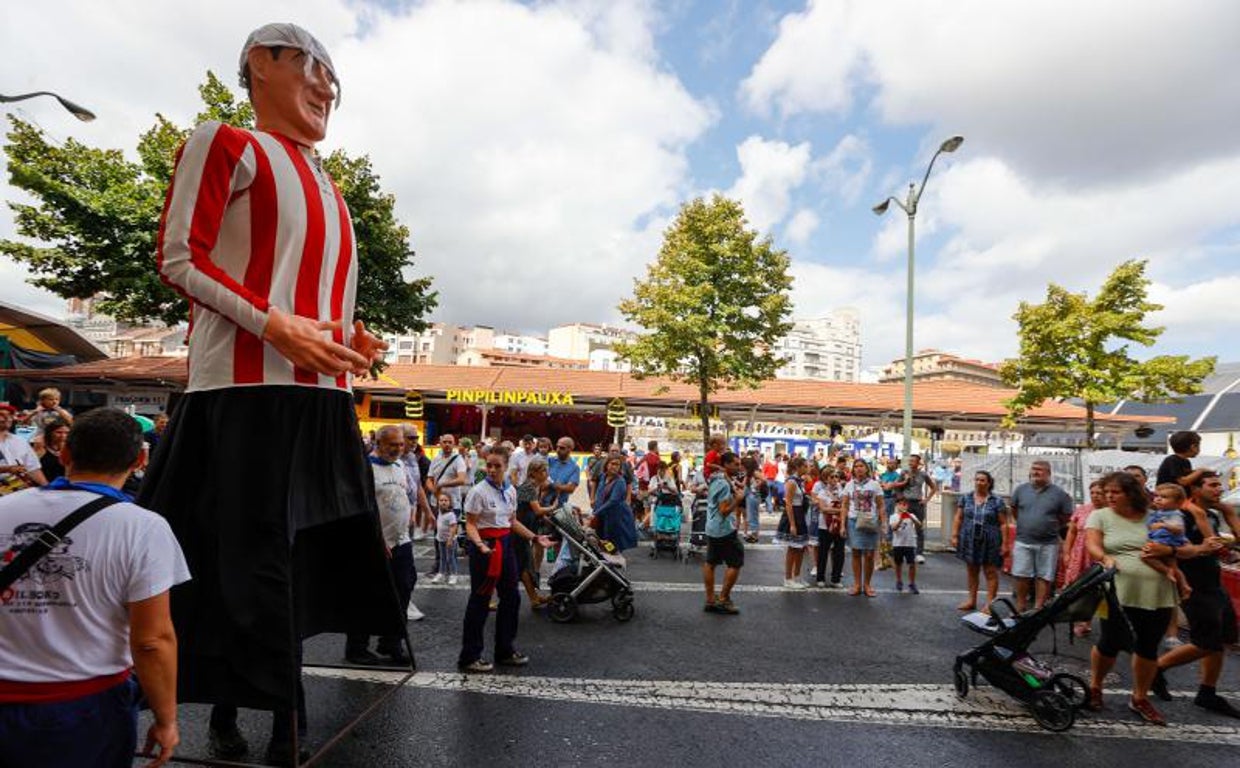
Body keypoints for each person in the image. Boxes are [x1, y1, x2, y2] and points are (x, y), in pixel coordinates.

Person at [139, 24, 399, 765]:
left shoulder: (331, 184)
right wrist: (275, 326)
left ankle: (252, 710)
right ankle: (271, 724)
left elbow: (304, 288)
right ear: (262, 63)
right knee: (244, 564)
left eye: (333, 80)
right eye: (315, 67)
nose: (327, 88)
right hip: (241, 394)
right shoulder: (225, 141)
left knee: (302, 563)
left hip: (322, 397)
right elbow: (178, 255)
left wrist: (352, 333)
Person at [0, 408, 188, 767]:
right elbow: (151, 640)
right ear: (140, 459)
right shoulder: (142, 527)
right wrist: (166, 719)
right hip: (85, 706)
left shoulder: (4, 508)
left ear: (66, 454)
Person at [1085, 471, 1179, 724]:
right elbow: (1092, 544)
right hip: (1117, 589)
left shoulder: (1154, 516)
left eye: (1115, 492)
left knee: (1148, 645)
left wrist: (1168, 549)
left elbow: (1179, 544)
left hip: (1157, 590)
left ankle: (1139, 698)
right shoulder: (1100, 515)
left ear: (1131, 493)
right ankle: (1095, 686)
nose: (1109, 496)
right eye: (1106, 492)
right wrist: (1105, 558)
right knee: (1110, 640)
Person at [1149, 470, 1240, 718]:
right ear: (1196, 490)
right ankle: (1155, 668)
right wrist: (1201, 550)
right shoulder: (1182, 515)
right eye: (1212, 485)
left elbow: (1222, 544)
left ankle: (1207, 692)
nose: (1219, 490)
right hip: (1193, 585)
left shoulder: (1209, 514)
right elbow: (1168, 548)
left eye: (1219, 485)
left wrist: (1227, 537)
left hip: (1213, 582)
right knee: (1205, 641)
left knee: (1223, 638)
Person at [458, 453, 552, 673]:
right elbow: (470, 524)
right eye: (488, 465)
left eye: (496, 466)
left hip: (505, 544)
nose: (491, 470)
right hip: (486, 547)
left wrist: (535, 537)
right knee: (480, 600)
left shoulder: (510, 490)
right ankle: (470, 655)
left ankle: (505, 650)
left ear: (506, 466)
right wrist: (480, 545)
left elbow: (512, 522)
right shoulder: (478, 491)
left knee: (511, 597)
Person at [344, 425, 418, 665]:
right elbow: (358, 509)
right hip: (373, 543)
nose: (398, 449)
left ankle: (391, 641)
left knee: (404, 588)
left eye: (400, 444)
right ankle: (356, 647)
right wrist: (375, 538)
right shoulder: (365, 468)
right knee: (366, 594)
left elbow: (406, 495)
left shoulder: (400, 466)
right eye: (392, 445)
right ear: (378, 443)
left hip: (401, 540)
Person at [1008, 460, 1074, 613]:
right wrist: (1028, 523)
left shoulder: (1059, 494)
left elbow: (1065, 516)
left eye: (1040, 470)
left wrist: (1048, 525)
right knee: (1021, 574)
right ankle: (1020, 606)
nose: (1036, 472)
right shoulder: (1021, 490)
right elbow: (1014, 509)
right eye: (1034, 469)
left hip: (1048, 543)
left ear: (1048, 473)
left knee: (1044, 576)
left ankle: (1038, 608)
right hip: (1023, 541)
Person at [952, 470, 1009, 613]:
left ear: (989, 483)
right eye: (977, 480)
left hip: (990, 540)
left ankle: (990, 604)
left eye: (982, 480)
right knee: (972, 571)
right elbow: (958, 517)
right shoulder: (966, 498)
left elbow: (1003, 523)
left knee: (990, 572)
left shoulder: (997, 501)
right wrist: (954, 535)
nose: (978, 482)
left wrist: (1005, 543)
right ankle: (971, 600)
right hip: (969, 538)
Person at [702, 452, 746, 615]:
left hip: (712, 527)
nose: (738, 466)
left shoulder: (717, 478)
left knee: (711, 562)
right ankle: (723, 599)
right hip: (723, 529)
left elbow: (722, 473)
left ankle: (710, 600)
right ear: (726, 464)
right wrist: (738, 500)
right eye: (735, 464)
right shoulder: (723, 484)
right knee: (735, 562)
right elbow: (724, 511)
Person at [1059, 480, 1104, 635]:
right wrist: (1067, 552)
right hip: (1079, 554)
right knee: (1076, 587)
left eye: (1099, 493)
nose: (1095, 496)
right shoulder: (1082, 509)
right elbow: (1071, 532)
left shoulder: (1110, 513)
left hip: (1098, 555)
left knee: (1097, 590)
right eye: (1093, 493)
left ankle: (1088, 622)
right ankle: (1077, 618)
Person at [513, 458, 555, 608]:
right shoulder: (529, 487)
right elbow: (537, 509)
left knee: (525, 565)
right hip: (518, 531)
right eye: (543, 470)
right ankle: (534, 598)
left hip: (524, 530)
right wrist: (553, 507)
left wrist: (549, 518)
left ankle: (534, 598)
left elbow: (534, 511)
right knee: (524, 565)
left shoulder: (534, 487)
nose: (546, 473)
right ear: (533, 473)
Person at [843, 459, 886, 597]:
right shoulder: (849, 485)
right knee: (856, 553)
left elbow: (880, 505)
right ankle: (857, 584)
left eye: (861, 466)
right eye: (856, 466)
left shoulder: (875, 485)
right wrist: (842, 525)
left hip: (870, 521)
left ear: (866, 468)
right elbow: (844, 506)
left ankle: (867, 584)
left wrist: (883, 522)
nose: (858, 469)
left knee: (869, 554)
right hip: (854, 521)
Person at [1145, 484, 1192, 601]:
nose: (1158, 499)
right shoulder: (1158, 512)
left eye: (1164, 497)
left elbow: (1179, 529)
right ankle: (1184, 586)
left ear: (1177, 503)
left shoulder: (1174, 514)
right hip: (1161, 540)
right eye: (1156, 496)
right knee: (1173, 565)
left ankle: (1167, 572)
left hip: (1168, 541)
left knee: (1145, 556)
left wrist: (1163, 525)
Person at [774, 456, 810, 589]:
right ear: (798, 467)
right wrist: (792, 524)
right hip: (793, 514)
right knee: (793, 548)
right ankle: (788, 578)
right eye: (805, 466)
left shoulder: (799, 481)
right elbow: (788, 503)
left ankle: (797, 576)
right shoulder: (791, 482)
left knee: (800, 548)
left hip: (800, 513)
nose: (807, 468)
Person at [894, 454, 936, 563]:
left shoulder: (923, 474)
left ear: (918, 463)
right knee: (903, 527)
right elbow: (896, 486)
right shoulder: (904, 473)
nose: (911, 463)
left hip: (918, 503)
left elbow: (933, 487)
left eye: (913, 461)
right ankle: (901, 551)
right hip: (905, 502)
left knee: (919, 528)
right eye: (910, 461)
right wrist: (900, 498)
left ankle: (919, 553)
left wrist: (926, 500)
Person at [592, 456, 638, 552]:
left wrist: (596, 513)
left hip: (617, 517)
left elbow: (613, 501)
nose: (615, 467)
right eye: (612, 464)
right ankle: (606, 559)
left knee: (613, 543)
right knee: (603, 540)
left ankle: (613, 560)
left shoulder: (620, 481)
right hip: (605, 514)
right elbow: (599, 495)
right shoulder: (603, 477)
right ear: (606, 465)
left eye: (617, 465)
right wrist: (595, 507)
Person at [0, 403, 47, 493]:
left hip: (14, 491)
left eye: (10, 415)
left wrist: (47, 488)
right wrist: (6, 469)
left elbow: (33, 468)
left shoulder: (20, 441)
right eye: (1, 415)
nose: (7, 418)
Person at [812, 467, 845, 588]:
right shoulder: (822, 492)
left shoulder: (842, 491)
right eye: (832, 477)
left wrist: (834, 510)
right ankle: (820, 577)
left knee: (839, 552)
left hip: (840, 524)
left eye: (837, 477)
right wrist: (839, 509)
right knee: (823, 552)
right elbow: (823, 509)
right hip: (824, 525)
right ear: (826, 479)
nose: (835, 479)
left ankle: (836, 579)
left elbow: (845, 507)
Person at [889, 497, 922, 594]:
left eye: (905, 504)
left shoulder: (911, 515)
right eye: (901, 504)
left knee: (912, 564)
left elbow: (919, 525)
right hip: (898, 544)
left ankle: (912, 583)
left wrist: (910, 517)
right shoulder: (893, 516)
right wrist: (901, 519)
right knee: (898, 563)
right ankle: (899, 581)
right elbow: (893, 528)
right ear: (897, 505)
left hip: (910, 544)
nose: (903, 506)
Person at [429, 491, 459, 586]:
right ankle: (441, 573)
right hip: (440, 540)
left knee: (450, 558)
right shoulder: (439, 513)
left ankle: (453, 574)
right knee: (442, 558)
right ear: (438, 502)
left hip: (449, 541)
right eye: (441, 500)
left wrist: (450, 539)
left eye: (446, 500)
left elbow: (454, 527)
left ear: (450, 502)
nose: (443, 502)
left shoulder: (451, 515)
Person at [36, 418, 71, 482]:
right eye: (59, 432)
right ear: (50, 433)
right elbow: (33, 467)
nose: (63, 436)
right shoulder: (41, 445)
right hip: (44, 483)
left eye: (67, 433)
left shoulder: (69, 447)